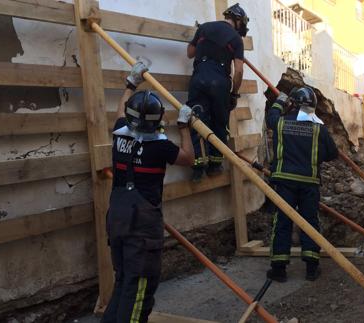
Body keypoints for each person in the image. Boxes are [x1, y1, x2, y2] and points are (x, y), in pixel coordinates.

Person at [102, 62, 195, 323]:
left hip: (118, 220)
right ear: (157, 121)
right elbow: (188, 157)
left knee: (123, 282)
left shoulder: (119, 135)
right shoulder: (161, 147)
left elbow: (121, 110)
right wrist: (184, 125)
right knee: (139, 292)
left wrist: (130, 84)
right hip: (142, 230)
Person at [265, 87, 339, 282]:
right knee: (310, 223)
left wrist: (279, 101)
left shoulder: (280, 123)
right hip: (309, 182)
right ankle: (312, 269)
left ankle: (279, 270)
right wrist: (314, 156)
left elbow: (271, 116)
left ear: (292, 104)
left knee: (282, 222)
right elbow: (333, 153)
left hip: (284, 181)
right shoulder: (318, 128)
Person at [186, 3, 249, 182]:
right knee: (220, 123)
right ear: (238, 21)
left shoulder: (204, 28)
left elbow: (189, 53)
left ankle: (198, 169)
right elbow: (238, 71)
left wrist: (203, 40)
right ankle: (214, 166)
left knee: (197, 119)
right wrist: (234, 93)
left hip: (198, 78)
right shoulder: (236, 39)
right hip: (220, 82)